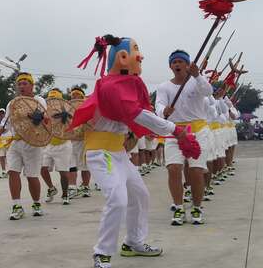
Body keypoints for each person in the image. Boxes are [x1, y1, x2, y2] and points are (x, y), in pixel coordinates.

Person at [70, 35, 199, 268]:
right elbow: (136, 113)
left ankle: (133, 243)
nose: (141, 56)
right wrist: (175, 129)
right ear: (122, 57)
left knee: (140, 195)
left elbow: (138, 114)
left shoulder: (125, 84)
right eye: (136, 50)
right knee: (118, 200)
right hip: (101, 153)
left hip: (118, 153)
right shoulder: (109, 86)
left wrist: (156, 125)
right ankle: (102, 254)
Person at [156, 49, 213, 226]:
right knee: (173, 168)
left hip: (198, 130)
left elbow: (208, 91)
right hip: (174, 132)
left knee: (196, 170)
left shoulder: (196, 82)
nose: (178, 64)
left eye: (181, 62)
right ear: (170, 66)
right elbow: (158, 104)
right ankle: (178, 207)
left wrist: (198, 76)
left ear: (188, 65)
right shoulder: (164, 86)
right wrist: (163, 111)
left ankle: (197, 207)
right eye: (174, 62)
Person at [0, 72, 46, 220]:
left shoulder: (38, 100)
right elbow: (9, 124)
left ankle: (36, 204)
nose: (22, 86)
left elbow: (43, 119)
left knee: (32, 176)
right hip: (15, 142)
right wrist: (2, 129)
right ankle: (17, 206)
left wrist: (33, 116)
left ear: (32, 85)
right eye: (19, 84)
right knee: (13, 171)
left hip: (33, 143)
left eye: (25, 83)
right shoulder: (12, 103)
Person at [41, 88, 73, 205]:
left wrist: (65, 117)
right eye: (50, 99)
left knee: (63, 172)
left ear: (61, 100)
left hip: (63, 144)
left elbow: (73, 125)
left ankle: (65, 194)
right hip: (49, 144)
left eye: (55, 99)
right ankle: (51, 188)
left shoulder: (67, 112)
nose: (52, 101)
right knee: (43, 169)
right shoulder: (45, 112)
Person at [68, 87, 91, 198]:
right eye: (73, 96)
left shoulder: (87, 107)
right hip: (71, 140)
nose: (74, 97)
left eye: (77, 96)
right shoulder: (67, 108)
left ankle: (86, 187)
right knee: (71, 164)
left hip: (84, 140)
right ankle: (72, 187)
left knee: (85, 165)